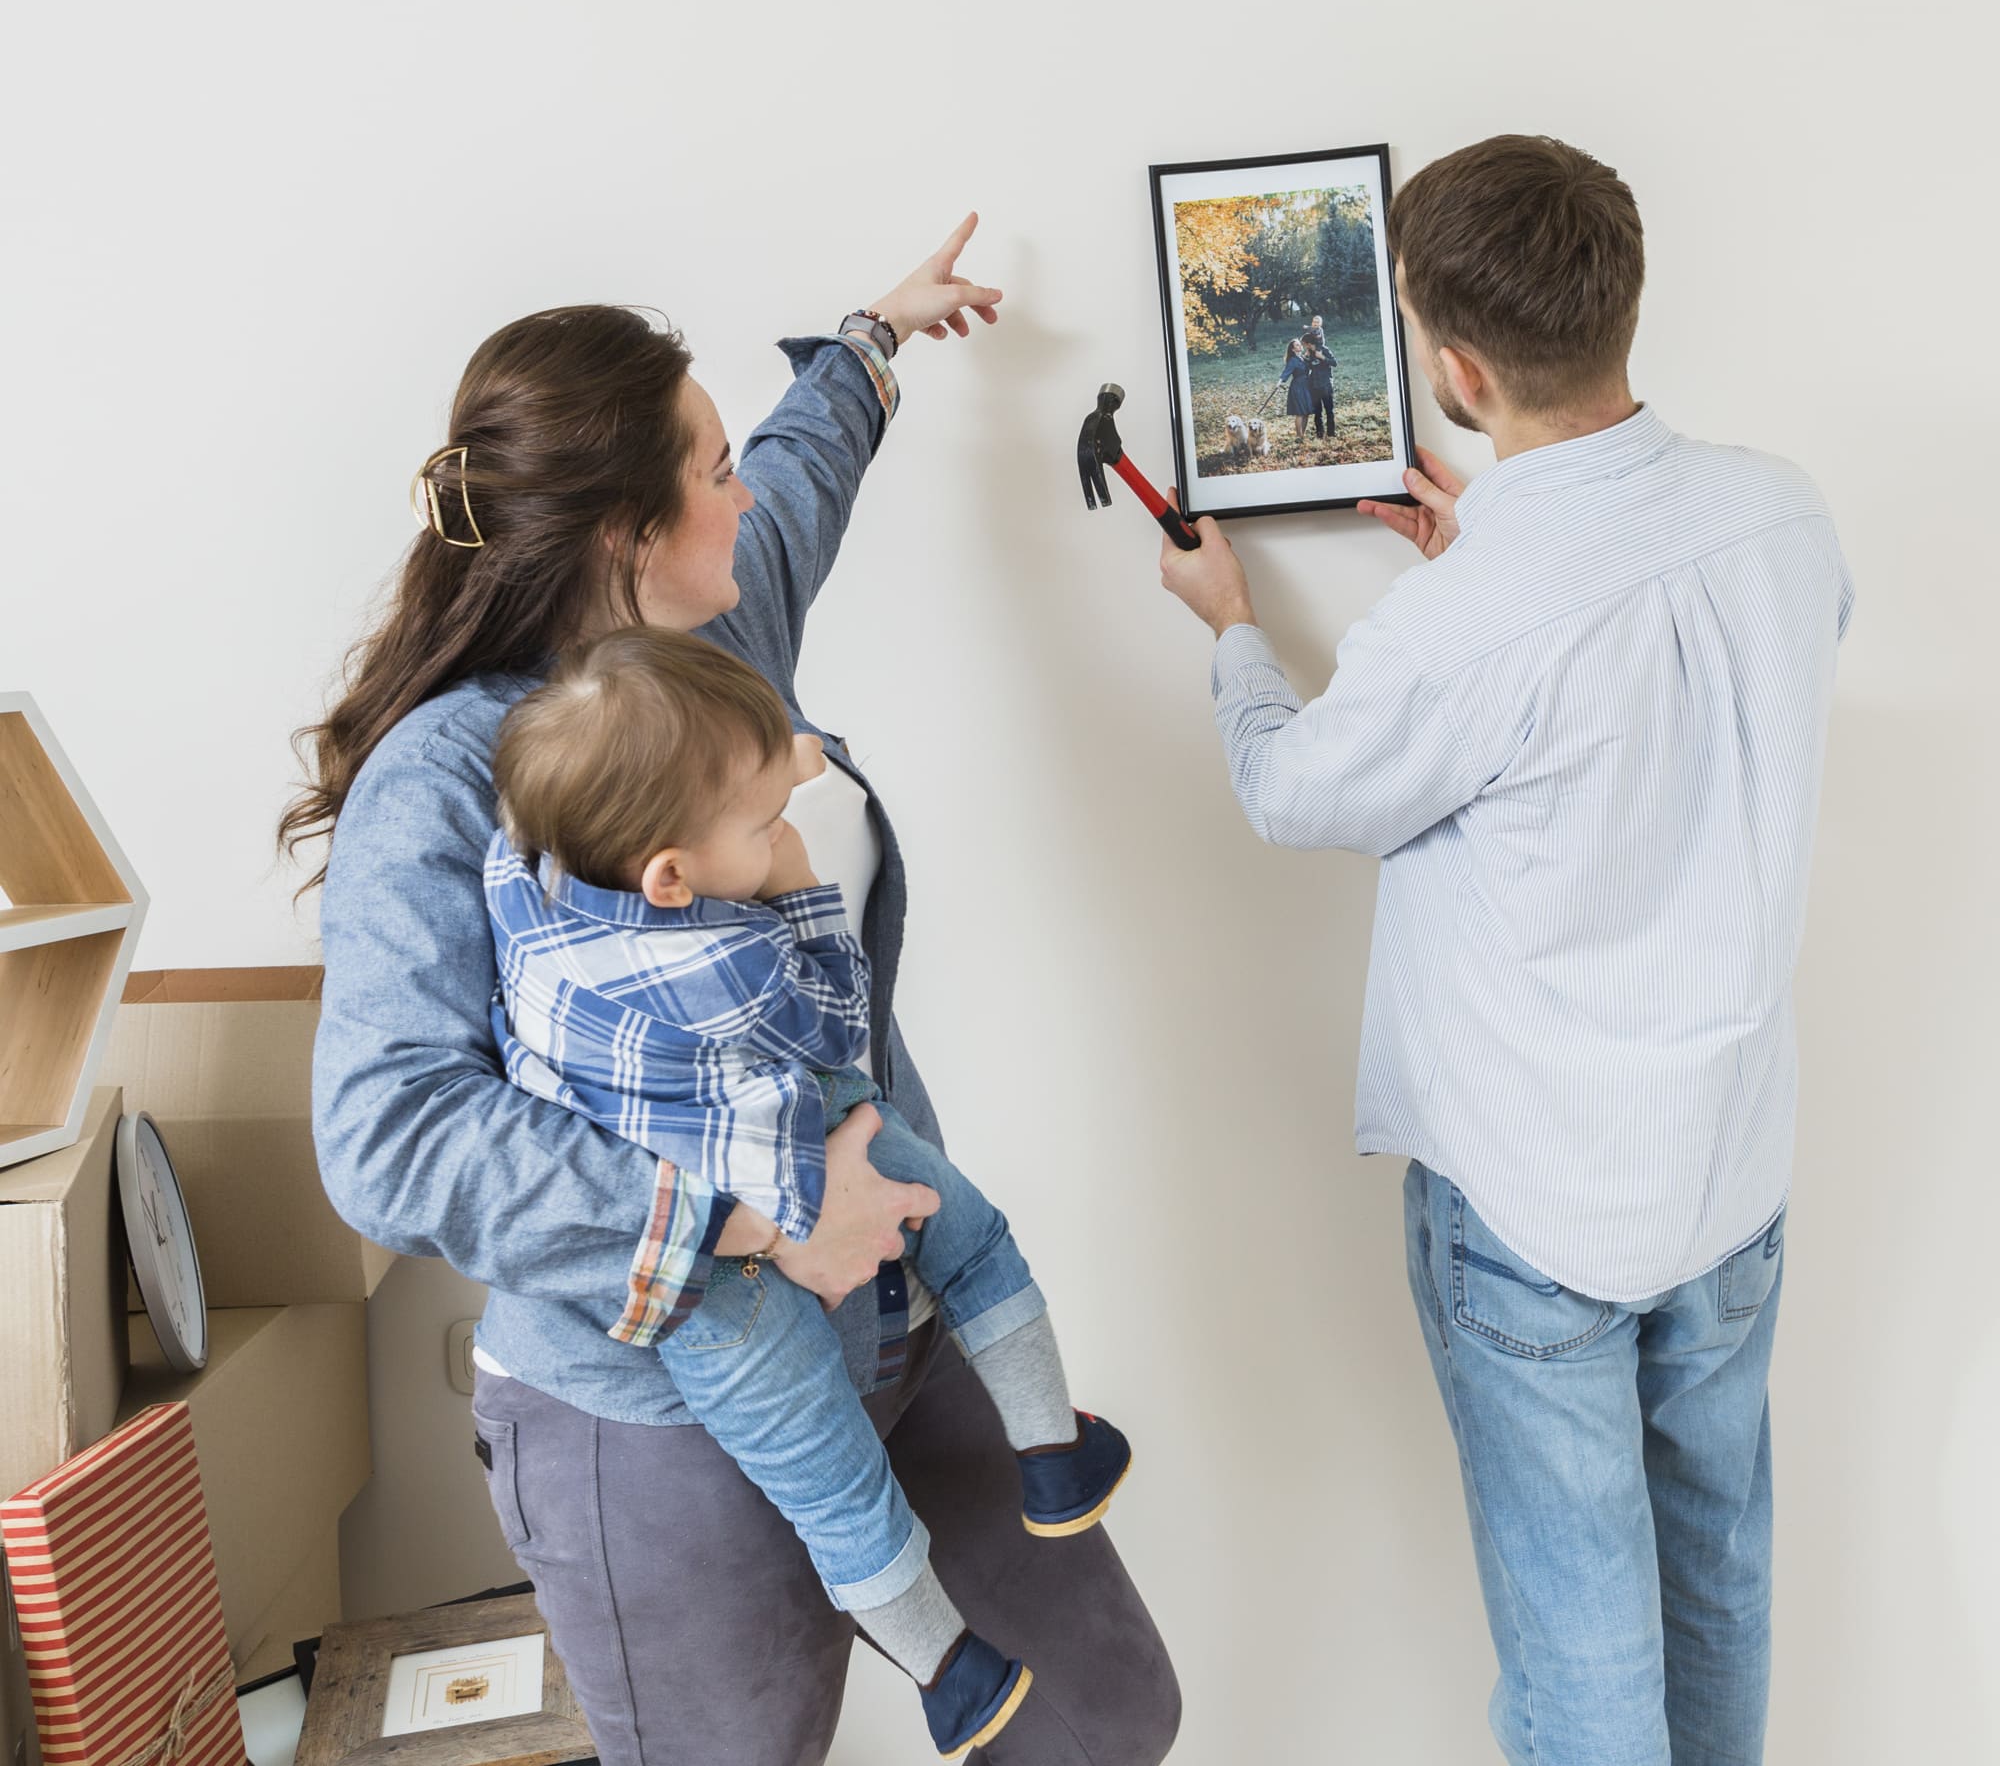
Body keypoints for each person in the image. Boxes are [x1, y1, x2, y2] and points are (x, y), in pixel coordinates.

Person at [294, 215, 1180, 1766]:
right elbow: (390, 1138)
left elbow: (805, 468)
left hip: (896, 1330)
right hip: (658, 1409)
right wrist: (752, 1215)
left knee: (1101, 1718)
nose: (742, 489)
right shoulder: (445, 778)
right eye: (708, 471)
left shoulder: (715, 646)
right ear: (628, 531)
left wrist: (876, 335)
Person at [1155, 137, 1850, 1765]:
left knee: (1581, 1651)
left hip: (1537, 1203)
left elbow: (1290, 789)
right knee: (1718, 1584)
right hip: (1729, 1172)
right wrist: (1490, 571)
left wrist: (1231, 627)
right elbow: (1677, 690)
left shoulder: (1475, 624)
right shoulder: (1780, 514)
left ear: (1454, 368)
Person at [484, 625, 1132, 1759]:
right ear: (671, 876)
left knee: (832, 1488)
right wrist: (795, 883)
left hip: (705, 1292)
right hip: (776, 1195)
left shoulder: (527, 880)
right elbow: (841, 1016)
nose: (782, 820)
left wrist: (759, 769)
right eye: (760, 819)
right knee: (974, 1245)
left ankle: (952, 1675)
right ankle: (1049, 1447)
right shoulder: (719, 961)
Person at [1280, 337, 1314, 445]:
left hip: (1307, 386)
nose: (1300, 346)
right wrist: (1280, 381)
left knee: (1307, 412)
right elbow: (1286, 372)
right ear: (1293, 350)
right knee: (1300, 412)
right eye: (1297, 345)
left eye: (1300, 344)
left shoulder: (1303, 358)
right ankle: (1299, 436)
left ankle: (1302, 434)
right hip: (1298, 387)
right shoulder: (1293, 360)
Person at [1305, 339, 1337, 443]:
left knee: (1329, 410)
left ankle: (1331, 433)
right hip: (1314, 386)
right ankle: (1319, 433)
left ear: (1310, 343)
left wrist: (1322, 357)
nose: (1304, 346)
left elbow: (1334, 363)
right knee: (1317, 412)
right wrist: (1306, 358)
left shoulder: (1324, 350)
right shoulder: (1309, 353)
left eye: (1305, 344)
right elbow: (1307, 368)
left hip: (1326, 385)